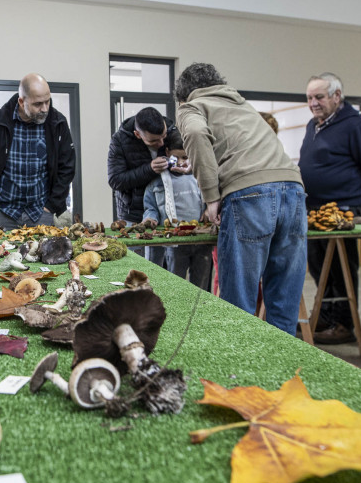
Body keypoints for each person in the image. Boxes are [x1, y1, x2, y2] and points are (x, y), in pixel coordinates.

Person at [176, 63, 306, 336]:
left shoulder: (191, 107)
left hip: (251, 196)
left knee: (238, 306)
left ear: (183, 96)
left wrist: (211, 198)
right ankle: (282, 372)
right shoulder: (242, 105)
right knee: (284, 301)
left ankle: (239, 376)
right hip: (293, 192)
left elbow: (197, 134)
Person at [299, 72, 361, 344]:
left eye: (319, 97)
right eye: (310, 98)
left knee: (341, 269)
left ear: (337, 96)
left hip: (342, 211)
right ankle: (325, 315)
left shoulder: (356, 126)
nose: (313, 103)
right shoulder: (313, 125)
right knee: (318, 267)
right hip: (314, 210)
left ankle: (344, 323)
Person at [0, 73, 76, 231]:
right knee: (2, 254)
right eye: (38, 104)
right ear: (21, 101)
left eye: (47, 101)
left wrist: (51, 206)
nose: (45, 109)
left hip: (41, 213)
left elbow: (67, 167)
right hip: (3, 213)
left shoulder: (58, 122)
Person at [141, 128, 212, 290]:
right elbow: (150, 206)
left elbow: (212, 197)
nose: (180, 163)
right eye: (176, 157)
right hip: (175, 242)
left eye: (185, 157)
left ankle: (198, 311)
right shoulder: (158, 180)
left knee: (201, 284)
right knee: (175, 282)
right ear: (167, 152)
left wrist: (208, 209)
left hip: (202, 240)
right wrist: (150, 218)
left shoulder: (201, 176)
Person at [108, 106, 176, 265]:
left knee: (166, 271)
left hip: (168, 214)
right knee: (136, 268)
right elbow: (115, 180)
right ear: (137, 134)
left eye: (163, 137)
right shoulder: (119, 140)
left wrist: (175, 165)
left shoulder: (173, 132)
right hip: (134, 216)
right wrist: (149, 169)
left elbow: (184, 160)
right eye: (153, 140)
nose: (160, 143)